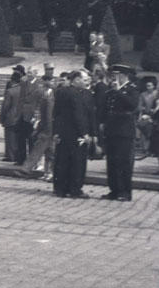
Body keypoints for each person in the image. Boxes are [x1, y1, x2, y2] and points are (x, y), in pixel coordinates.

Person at [51, 69, 96, 198]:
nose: (86, 82)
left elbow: (56, 114)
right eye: (84, 79)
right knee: (77, 162)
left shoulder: (61, 92)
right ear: (76, 80)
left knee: (62, 161)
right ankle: (75, 189)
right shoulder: (75, 94)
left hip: (63, 133)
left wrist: (56, 132)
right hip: (76, 133)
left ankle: (60, 188)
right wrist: (85, 133)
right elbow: (79, 115)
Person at [99, 65, 139, 201]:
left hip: (124, 130)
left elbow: (133, 105)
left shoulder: (131, 90)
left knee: (124, 162)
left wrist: (118, 92)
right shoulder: (112, 90)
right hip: (112, 129)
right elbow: (106, 108)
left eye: (117, 75)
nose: (114, 78)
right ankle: (114, 190)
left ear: (124, 76)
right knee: (112, 162)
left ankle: (125, 191)